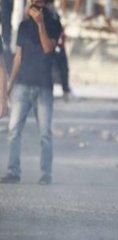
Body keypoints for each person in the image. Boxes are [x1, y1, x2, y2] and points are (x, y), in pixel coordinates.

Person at [1, 0, 61, 185]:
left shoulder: (53, 24)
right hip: (22, 84)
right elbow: (19, 56)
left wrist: (41, 23)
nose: (35, 5)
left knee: (44, 133)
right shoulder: (24, 26)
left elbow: (48, 48)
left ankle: (46, 174)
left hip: (43, 86)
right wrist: (10, 85)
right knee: (13, 130)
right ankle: (13, 172)